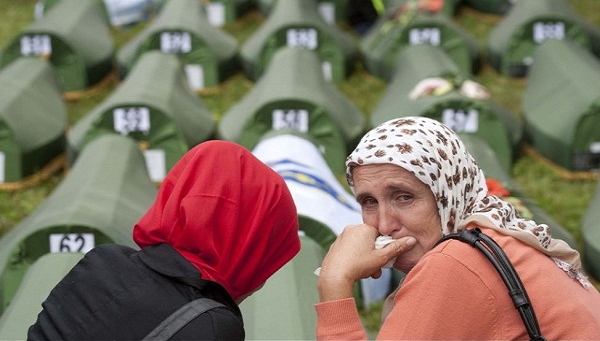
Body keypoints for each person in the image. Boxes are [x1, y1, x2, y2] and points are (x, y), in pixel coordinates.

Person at [315, 116, 600, 340]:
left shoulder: (456, 263)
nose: (385, 225)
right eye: (369, 202)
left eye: (404, 197)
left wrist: (335, 285)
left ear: (447, 195)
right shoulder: (494, 235)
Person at [28, 140, 301, 340]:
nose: (264, 280)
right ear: (248, 247)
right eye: (267, 254)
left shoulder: (102, 260)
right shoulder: (211, 326)